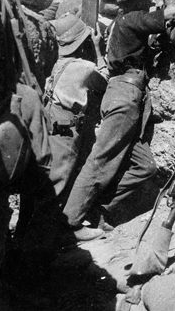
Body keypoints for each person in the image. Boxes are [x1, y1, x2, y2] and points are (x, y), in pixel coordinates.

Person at [62, 0, 175, 237]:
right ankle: (68, 223)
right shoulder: (132, 19)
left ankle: (99, 210)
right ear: (140, 0)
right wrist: (173, 5)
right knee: (101, 160)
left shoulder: (119, 24)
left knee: (144, 167)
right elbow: (169, 15)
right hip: (125, 95)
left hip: (124, 94)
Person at [38, 14, 110, 241]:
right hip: (66, 132)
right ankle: (47, 242)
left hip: (51, 127)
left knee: (48, 182)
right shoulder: (83, 67)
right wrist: (99, 51)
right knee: (57, 185)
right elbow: (105, 80)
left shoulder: (57, 63)